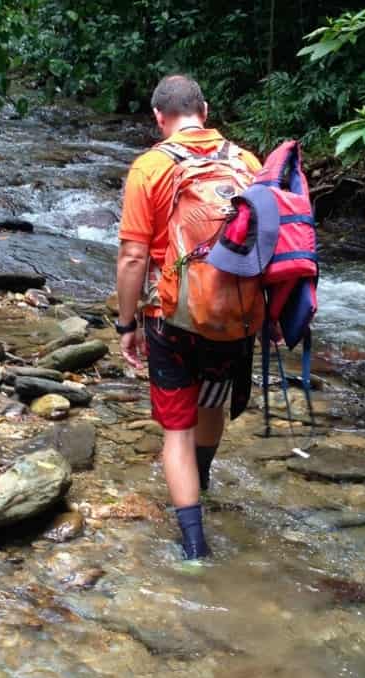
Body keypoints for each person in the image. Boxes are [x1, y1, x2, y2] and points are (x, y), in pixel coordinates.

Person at [115, 74, 261, 560]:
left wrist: (125, 323)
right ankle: (203, 478)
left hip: (170, 317)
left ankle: (195, 549)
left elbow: (134, 256)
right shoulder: (247, 163)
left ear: (159, 118)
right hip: (235, 317)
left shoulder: (150, 166)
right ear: (206, 108)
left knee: (176, 429)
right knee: (212, 404)